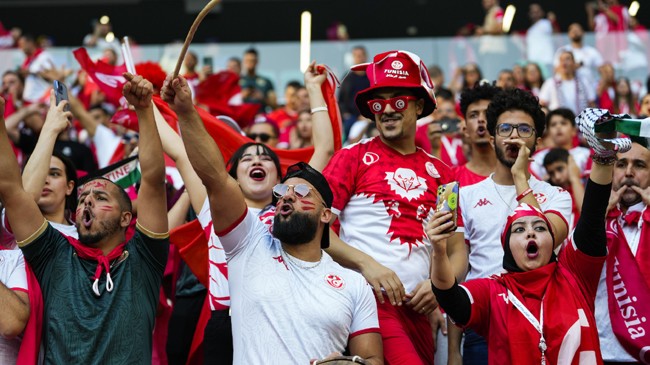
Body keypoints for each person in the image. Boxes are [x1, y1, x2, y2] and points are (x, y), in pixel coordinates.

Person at [161, 67, 383, 365]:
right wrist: (163, 109)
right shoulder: (245, 238)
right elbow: (207, 171)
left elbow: (324, 151)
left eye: (266, 157)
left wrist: (314, 88)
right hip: (228, 319)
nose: (290, 195)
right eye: (247, 158)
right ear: (235, 178)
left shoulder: (351, 285)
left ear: (325, 214)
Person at [0, 73, 169, 364]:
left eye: (101, 198)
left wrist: (144, 109)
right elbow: (12, 190)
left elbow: (153, 180)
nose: (87, 199)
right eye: (81, 199)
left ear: (126, 218)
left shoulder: (145, 257)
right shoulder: (53, 254)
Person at [323, 50, 467, 365]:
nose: (387, 110)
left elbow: (457, 249)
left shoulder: (444, 174)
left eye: (398, 101)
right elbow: (318, 233)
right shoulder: (351, 157)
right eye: (378, 103)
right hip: (368, 303)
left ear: (418, 106)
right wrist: (368, 266)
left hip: (421, 311)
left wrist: (440, 287)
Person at [428, 126, 617, 363]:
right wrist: (438, 250)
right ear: (506, 247)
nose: (530, 233)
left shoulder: (574, 274)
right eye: (519, 229)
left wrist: (604, 155)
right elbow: (450, 298)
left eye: (539, 228)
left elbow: (592, 216)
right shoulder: (492, 291)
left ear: (551, 240)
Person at [454, 88, 572, 364]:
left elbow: (546, 240)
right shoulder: (467, 196)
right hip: (484, 323)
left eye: (524, 129)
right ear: (493, 136)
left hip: (543, 321)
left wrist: (521, 176)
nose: (514, 136)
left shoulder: (557, 196)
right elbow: (459, 274)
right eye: (505, 128)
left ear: (538, 142)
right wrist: (452, 353)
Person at [595, 138, 650, 364]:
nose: (628, 172)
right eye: (621, 164)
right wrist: (597, 215)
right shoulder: (592, 221)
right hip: (603, 351)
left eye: (639, 165)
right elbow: (569, 270)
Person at [529, 108, 592, 182]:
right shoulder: (538, 158)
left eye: (563, 123)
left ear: (574, 130)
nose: (558, 127)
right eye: (553, 125)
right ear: (548, 132)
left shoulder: (587, 154)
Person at [539, 50, 596, 115]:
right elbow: (542, 105)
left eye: (567, 59)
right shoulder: (550, 83)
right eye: (561, 60)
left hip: (581, 122)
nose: (564, 62)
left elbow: (592, 104)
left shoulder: (584, 82)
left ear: (574, 63)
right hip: (558, 122)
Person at [553, 23, 604, 88]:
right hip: (565, 88)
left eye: (577, 30)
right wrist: (573, 67)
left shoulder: (592, 51)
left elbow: (602, 69)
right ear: (569, 34)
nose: (575, 32)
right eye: (572, 31)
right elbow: (556, 69)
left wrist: (600, 87)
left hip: (588, 89)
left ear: (583, 33)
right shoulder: (562, 51)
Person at [338, 45, 370, 138]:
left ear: (366, 56)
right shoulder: (347, 79)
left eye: (361, 55)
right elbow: (341, 100)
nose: (359, 58)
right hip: (352, 116)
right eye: (356, 55)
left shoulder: (372, 77)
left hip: (371, 115)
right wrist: (345, 114)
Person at [525, 3, 554, 76]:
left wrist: (552, 22)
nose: (535, 14)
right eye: (533, 12)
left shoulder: (546, 23)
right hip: (534, 63)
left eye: (537, 11)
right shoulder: (529, 31)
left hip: (546, 61)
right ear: (529, 14)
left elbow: (555, 35)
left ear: (542, 12)